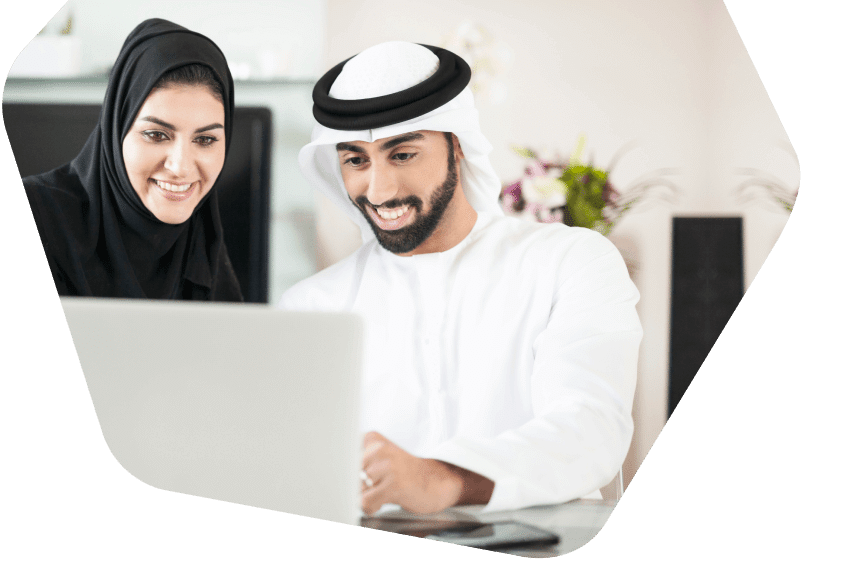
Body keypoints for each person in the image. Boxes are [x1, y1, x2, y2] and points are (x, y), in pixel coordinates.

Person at [281, 42, 642, 515]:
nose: (379, 190)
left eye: (402, 154)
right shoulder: (311, 308)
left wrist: (443, 478)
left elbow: (590, 431)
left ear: (457, 145)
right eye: (356, 161)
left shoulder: (569, 262)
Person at [22, 19, 242, 301]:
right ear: (117, 128)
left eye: (205, 140)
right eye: (156, 135)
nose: (181, 167)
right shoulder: (30, 216)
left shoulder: (203, 238)